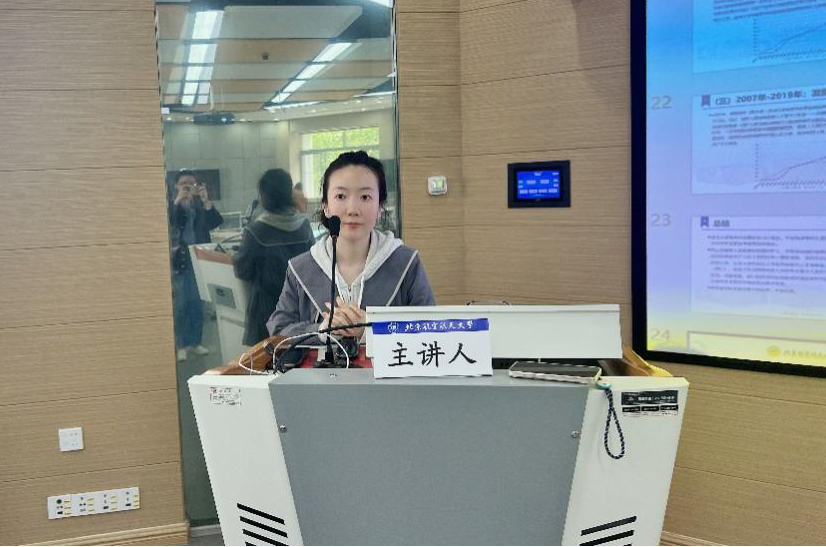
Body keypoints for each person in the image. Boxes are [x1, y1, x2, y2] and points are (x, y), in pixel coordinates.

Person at [266, 151, 435, 342]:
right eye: (340, 196)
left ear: (380, 207)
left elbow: (430, 330)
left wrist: (372, 330)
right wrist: (321, 330)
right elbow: (278, 332)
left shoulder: (406, 263)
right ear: (326, 206)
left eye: (365, 197)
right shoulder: (300, 269)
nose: (353, 209)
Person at [233, 169, 315, 346]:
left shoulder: (256, 231)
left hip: (266, 309)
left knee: (266, 357)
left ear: (264, 196)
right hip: (299, 306)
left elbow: (243, 270)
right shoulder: (304, 226)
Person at [170, 170, 223, 361]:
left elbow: (216, 222)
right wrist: (177, 202)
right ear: (176, 186)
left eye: (191, 184)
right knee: (181, 304)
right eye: (183, 184)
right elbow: (170, 224)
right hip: (181, 261)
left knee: (198, 303)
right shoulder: (172, 206)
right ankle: (181, 345)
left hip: (199, 259)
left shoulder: (200, 206)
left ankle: (195, 342)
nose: (187, 187)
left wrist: (206, 201)